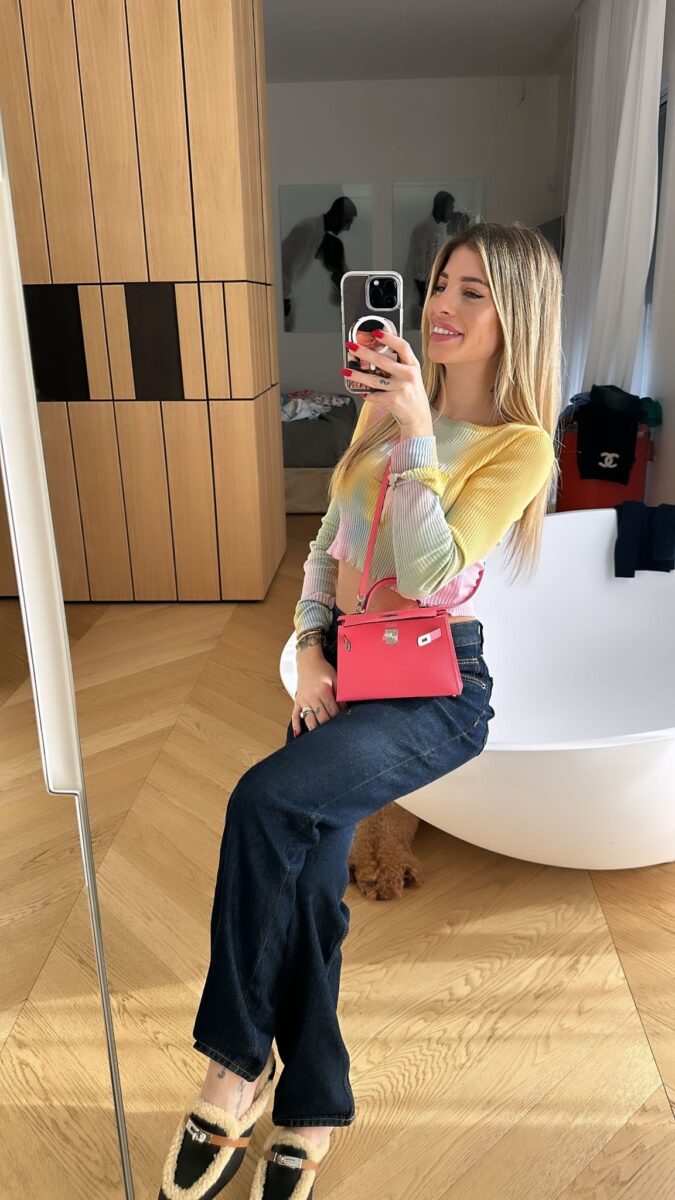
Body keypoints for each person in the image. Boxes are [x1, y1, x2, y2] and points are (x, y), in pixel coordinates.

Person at [158, 221, 562, 1200]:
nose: (442, 306)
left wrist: (417, 430)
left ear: (518, 317)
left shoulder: (519, 448)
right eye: (440, 282)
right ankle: (313, 1105)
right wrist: (307, 648)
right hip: (341, 667)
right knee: (306, 886)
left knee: (263, 803)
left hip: (434, 687)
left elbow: (425, 574)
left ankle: (233, 1069)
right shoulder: (376, 414)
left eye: (473, 291)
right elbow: (325, 545)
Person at [281, 197, 357, 331]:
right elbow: (285, 262)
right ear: (336, 215)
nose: (347, 228)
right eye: (346, 222)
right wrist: (284, 299)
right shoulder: (309, 228)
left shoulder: (318, 234)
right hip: (283, 300)